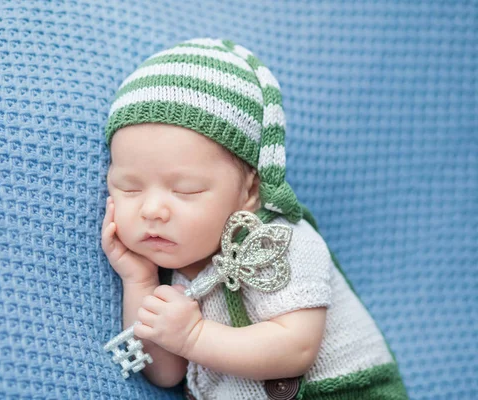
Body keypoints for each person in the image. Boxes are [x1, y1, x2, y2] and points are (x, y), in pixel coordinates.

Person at [100, 38, 408, 400]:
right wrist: (140, 282)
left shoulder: (278, 241)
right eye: (129, 188)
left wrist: (194, 337)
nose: (151, 210)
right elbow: (166, 373)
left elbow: (295, 349)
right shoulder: (177, 268)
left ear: (250, 190)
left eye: (185, 190)